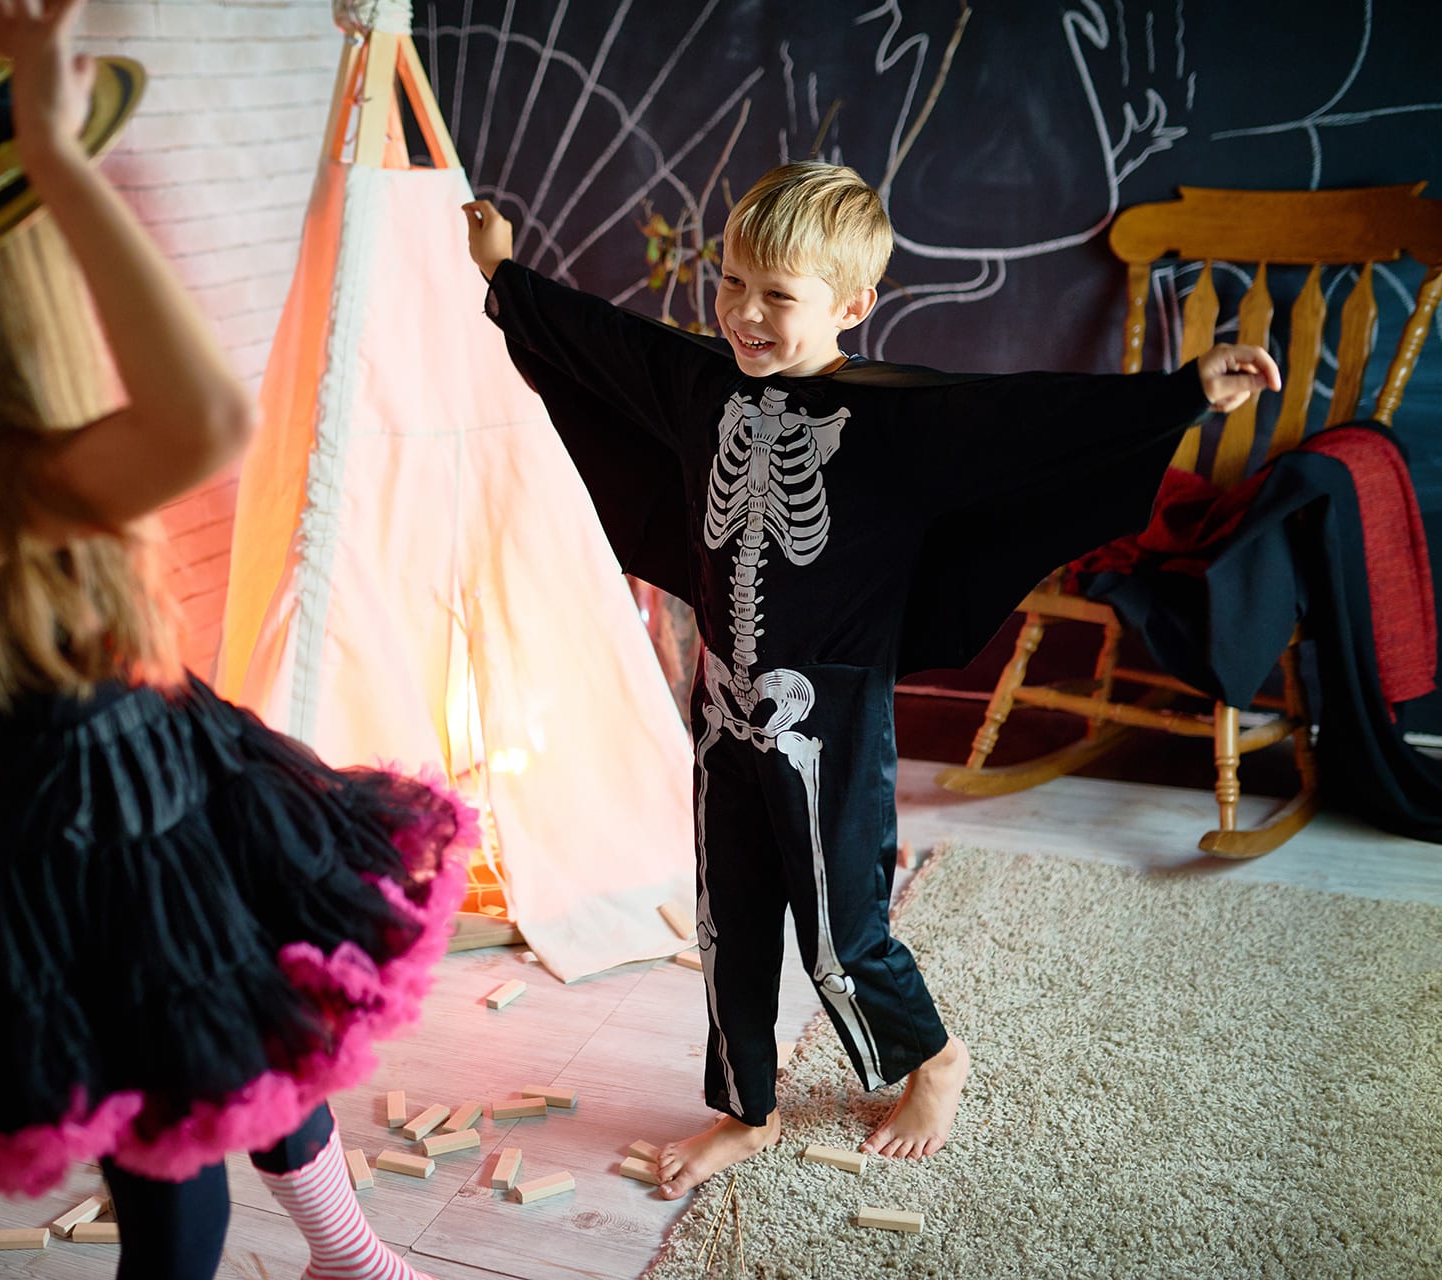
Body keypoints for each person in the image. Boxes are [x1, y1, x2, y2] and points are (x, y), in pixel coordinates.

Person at [0, 2, 473, 1277]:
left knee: (258, 1020)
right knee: (175, 1165)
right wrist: (54, 158)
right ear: (9, 279)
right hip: (89, 834)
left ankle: (350, 1255)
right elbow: (207, 418)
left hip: (150, 763)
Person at [460, 162, 1278, 1199]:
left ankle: (933, 1056)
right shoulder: (702, 382)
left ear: (852, 305)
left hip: (830, 713)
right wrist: (506, 276)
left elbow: (1033, 418)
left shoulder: (897, 421)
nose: (745, 313)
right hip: (722, 704)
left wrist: (1184, 392)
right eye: (733, 282)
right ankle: (745, 1108)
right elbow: (603, 340)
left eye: (779, 295)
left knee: (842, 936)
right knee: (728, 920)